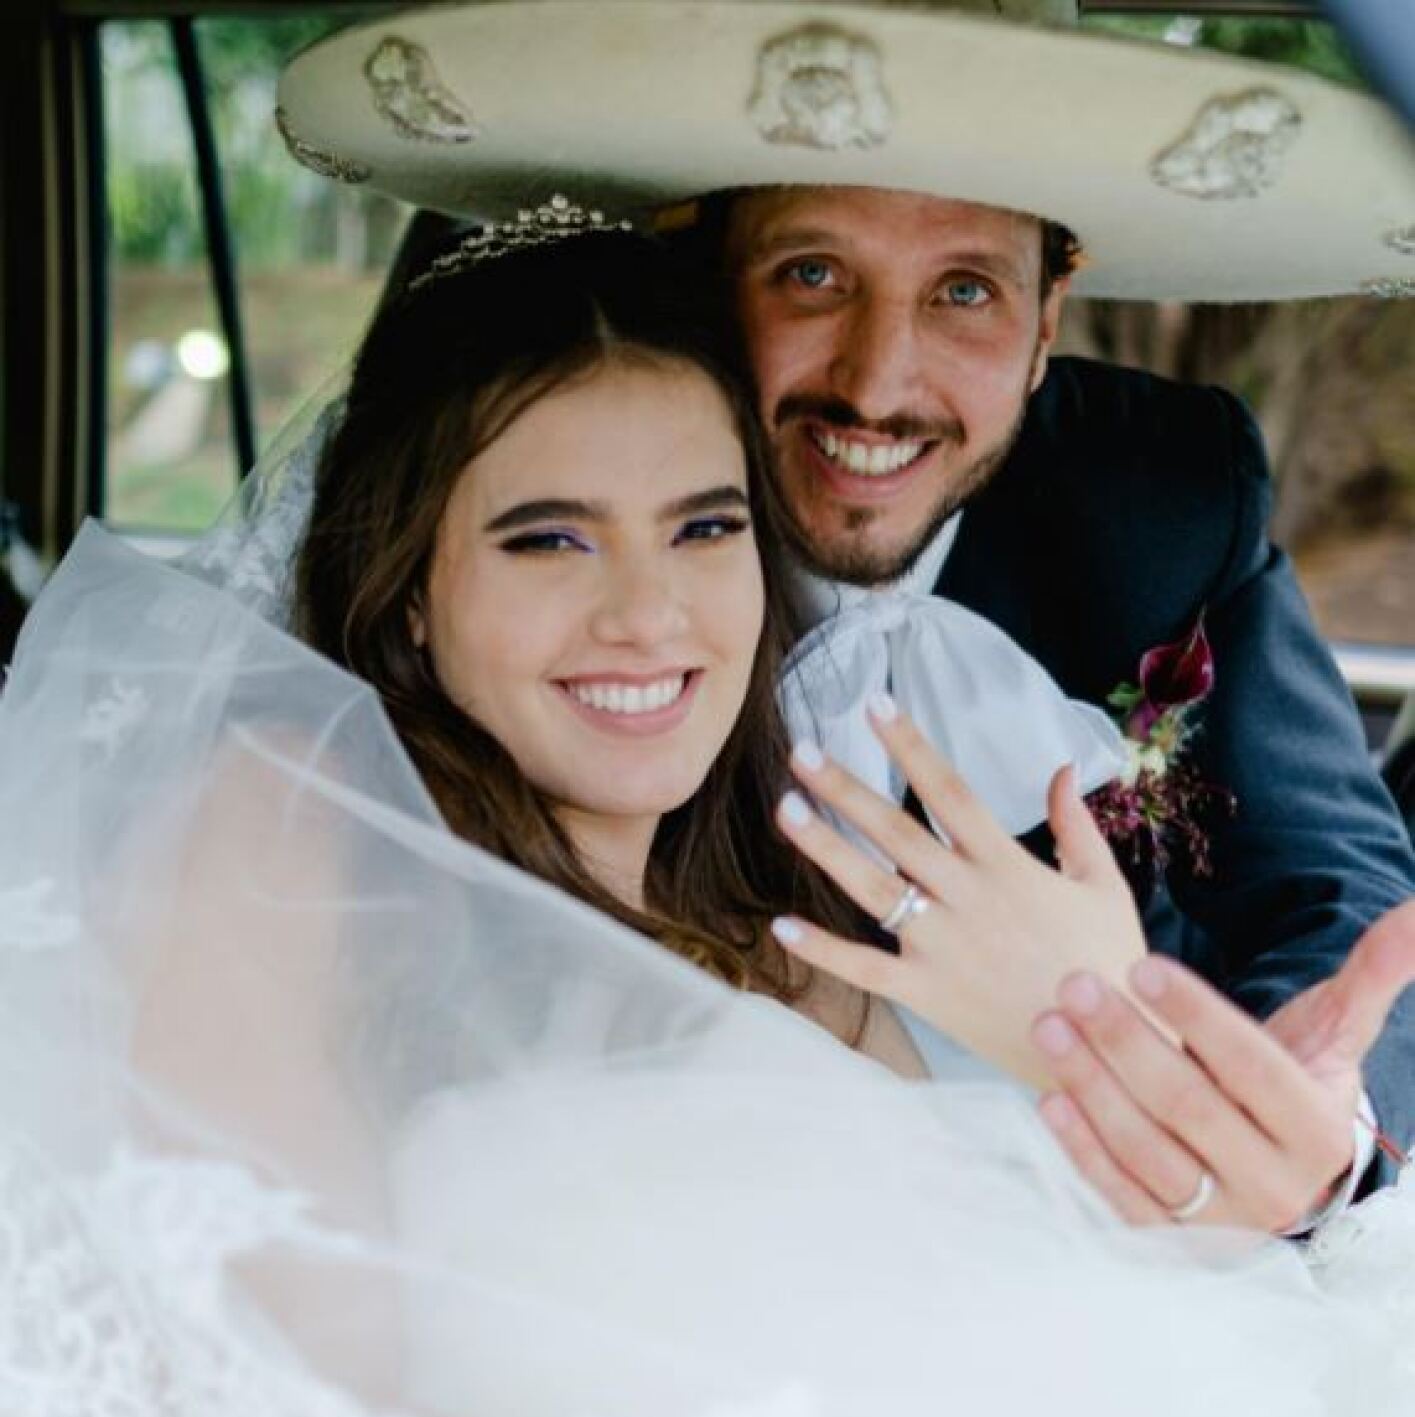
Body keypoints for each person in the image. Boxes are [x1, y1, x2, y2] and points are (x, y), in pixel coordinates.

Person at [3, 212, 1415, 1417]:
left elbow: (997, 1297)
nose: (647, 616)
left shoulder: (792, 902)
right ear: (409, 587)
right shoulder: (283, 847)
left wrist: (1088, 1052)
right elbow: (264, 1384)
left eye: (704, 529)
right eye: (547, 538)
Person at [273, 0, 1415, 1234]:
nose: (876, 385)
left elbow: (1330, 883)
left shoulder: (1160, 499)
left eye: (965, 292)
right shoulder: (549, 526)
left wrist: (1291, 1140)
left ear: (1045, 323)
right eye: (811, 273)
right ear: (705, 284)